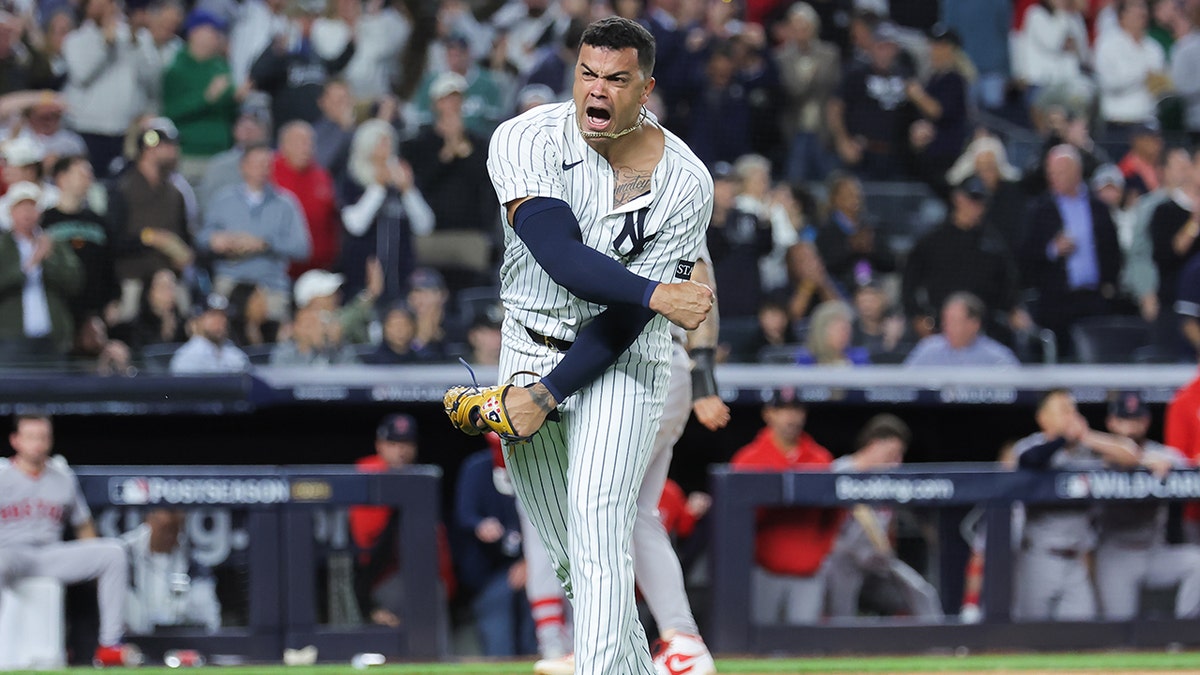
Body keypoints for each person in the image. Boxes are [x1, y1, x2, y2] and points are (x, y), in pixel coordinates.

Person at [458, 16, 716, 675]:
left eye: (616, 79)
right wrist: (657, 292)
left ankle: (676, 642)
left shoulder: (685, 182)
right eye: (587, 74)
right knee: (569, 551)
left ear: (646, 88)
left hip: (626, 360)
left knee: (604, 522)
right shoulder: (525, 138)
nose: (597, 90)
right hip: (527, 344)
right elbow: (560, 257)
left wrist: (551, 393)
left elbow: (622, 321)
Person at [0, 413, 139, 666]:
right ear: (15, 440)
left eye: (43, 437)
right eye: (31, 437)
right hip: (10, 552)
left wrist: (94, 568)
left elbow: (83, 525)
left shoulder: (62, 476)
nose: (38, 444)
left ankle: (110, 645)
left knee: (113, 553)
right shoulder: (2, 474)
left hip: (49, 554)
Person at [1012, 389, 1142, 621]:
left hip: (1076, 561)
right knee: (1030, 637)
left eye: (1073, 409)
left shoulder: (1088, 448)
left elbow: (1130, 455)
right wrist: (1063, 438)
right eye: (1063, 410)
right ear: (1043, 418)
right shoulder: (1030, 446)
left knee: (1082, 638)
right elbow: (1029, 461)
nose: (1071, 415)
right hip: (1039, 558)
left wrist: (1086, 437)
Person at [729, 388, 839, 625]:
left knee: (805, 648)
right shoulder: (748, 459)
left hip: (808, 573)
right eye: (783, 410)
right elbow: (735, 522)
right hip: (763, 572)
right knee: (758, 647)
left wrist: (821, 550)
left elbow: (835, 514)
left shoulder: (821, 459)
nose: (791, 417)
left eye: (796, 410)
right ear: (768, 414)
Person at [824, 415, 943, 620]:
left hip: (877, 559)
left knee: (922, 593)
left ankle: (941, 647)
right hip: (843, 557)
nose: (896, 462)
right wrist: (880, 542)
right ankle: (843, 648)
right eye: (891, 454)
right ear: (875, 444)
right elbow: (861, 512)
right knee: (842, 616)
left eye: (898, 456)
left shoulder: (887, 477)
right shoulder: (841, 469)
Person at [1093, 391, 1200, 621]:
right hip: (1116, 555)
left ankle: (1182, 635)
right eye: (1124, 420)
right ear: (1111, 422)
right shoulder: (1100, 452)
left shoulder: (1162, 453)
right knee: (1119, 634)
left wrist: (1176, 465)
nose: (1131, 427)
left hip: (1154, 552)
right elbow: (1122, 455)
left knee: (1197, 563)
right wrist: (1141, 462)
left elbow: (1189, 466)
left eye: (1136, 420)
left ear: (1147, 421)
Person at [349, 414, 455, 634]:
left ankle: (438, 661)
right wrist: (368, 605)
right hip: (379, 583)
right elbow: (366, 550)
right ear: (380, 445)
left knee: (432, 588)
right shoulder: (368, 478)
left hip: (413, 578)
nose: (401, 451)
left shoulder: (421, 481)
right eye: (393, 443)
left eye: (407, 443)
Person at [1020, 144, 1123, 358]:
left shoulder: (1098, 207)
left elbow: (1113, 250)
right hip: (1056, 302)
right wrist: (1052, 249)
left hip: (1094, 299)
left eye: (1060, 172)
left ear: (1076, 171)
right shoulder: (1040, 209)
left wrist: (1109, 284)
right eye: (1051, 173)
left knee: (1098, 359)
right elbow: (1025, 254)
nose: (1054, 178)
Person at [901, 176, 1026, 346]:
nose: (976, 207)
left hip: (985, 332)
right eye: (972, 199)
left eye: (981, 201)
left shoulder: (995, 243)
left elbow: (1009, 285)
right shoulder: (933, 241)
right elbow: (909, 282)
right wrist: (917, 316)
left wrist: (1014, 309)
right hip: (941, 330)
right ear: (958, 198)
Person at [198, 142, 311, 319]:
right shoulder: (223, 199)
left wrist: (265, 243)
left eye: (266, 164)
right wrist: (216, 240)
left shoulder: (285, 203)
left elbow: (302, 247)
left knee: (271, 337)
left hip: (270, 285)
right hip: (230, 280)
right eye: (257, 164)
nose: (262, 169)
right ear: (243, 166)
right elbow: (202, 238)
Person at [338, 119, 435, 305]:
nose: (387, 149)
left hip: (402, 278)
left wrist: (409, 191)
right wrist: (378, 188)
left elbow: (425, 226)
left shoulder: (404, 182)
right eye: (381, 143)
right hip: (361, 277)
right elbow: (355, 225)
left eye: (389, 142)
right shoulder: (352, 180)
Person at [454, 441, 537, 657]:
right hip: (488, 572)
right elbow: (464, 515)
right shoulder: (477, 467)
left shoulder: (535, 461)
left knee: (536, 620)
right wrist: (479, 524)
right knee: (499, 636)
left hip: (533, 565)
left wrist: (531, 562)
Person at [0, 181, 82, 366]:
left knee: (55, 392)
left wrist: (49, 261)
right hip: (10, 339)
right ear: (10, 212)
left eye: (32, 206)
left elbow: (74, 283)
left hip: (53, 339)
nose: (27, 212)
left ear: (40, 211)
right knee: (12, 393)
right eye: (21, 207)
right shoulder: (2, 248)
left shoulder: (55, 245)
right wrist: (30, 264)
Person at [122, 508, 222, 634]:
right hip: (130, 639)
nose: (170, 536)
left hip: (176, 641)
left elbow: (210, 620)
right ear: (150, 520)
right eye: (165, 528)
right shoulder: (125, 551)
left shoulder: (191, 560)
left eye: (176, 529)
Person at [272, 120, 339, 278]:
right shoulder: (269, 174)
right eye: (299, 142)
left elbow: (331, 219)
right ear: (283, 145)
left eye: (309, 142)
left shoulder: (322, 175)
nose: (306, 147)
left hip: (318, 267)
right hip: (281, 268)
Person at [904, 293, 1020, 367]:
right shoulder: (928, 350)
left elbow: (1018, 392)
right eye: (945, 320)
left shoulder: (997, 357)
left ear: (974, 324)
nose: (946, 326)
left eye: (954, 320)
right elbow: (902, 384)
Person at [168, 293, 250, 373]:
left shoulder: (234, 354)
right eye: (213, 315)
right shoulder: (187, 357)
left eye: (223, 315)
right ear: (198, 320)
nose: (219, 321)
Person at [795, 299, 869, 366]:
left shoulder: (859, 359)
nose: (845, 335)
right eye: (841, 330)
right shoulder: (804, 359)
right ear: (822, 332)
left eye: (847, 330)